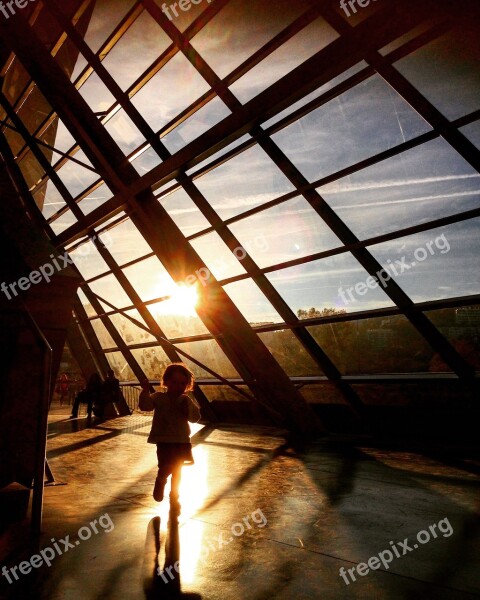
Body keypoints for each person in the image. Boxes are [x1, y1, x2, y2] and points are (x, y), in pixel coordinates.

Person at [139, 363, 201, 509]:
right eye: (174, 382)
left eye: (182, 383)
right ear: (166, 382)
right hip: (165, 440)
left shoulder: (185, 400)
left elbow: (195, 417)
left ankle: (174, 492)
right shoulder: (159, 398)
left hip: (181, 440)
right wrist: (145, 391)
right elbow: (145, 406)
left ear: (187, 385)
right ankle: (161, 480)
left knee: (177, 468)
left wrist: (188, 408)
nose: (178, 386)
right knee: (167, 466)